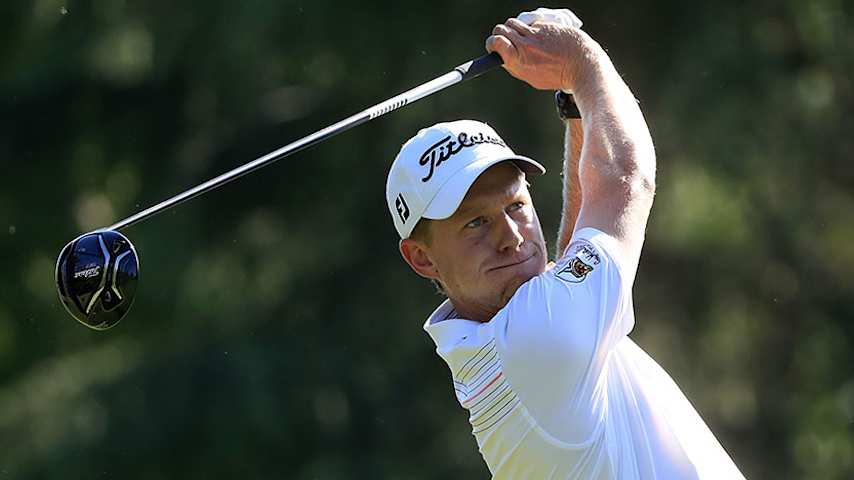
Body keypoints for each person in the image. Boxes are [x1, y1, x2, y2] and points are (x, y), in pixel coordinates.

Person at [385, 8, 745, 479]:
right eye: (474, 224)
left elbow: (574, 260)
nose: (511, 237)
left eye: (515, 206)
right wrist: (581, 61)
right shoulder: (535, 342)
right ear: (422, 258)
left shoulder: (495, 337)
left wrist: (577, 105)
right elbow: (625, 181)